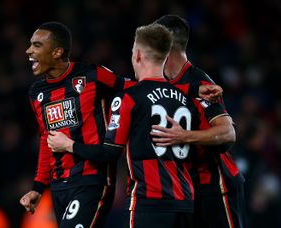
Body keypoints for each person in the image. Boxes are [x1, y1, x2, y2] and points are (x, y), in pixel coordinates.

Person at [47, 23, 227, 228]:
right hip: (186, 202)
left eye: (133, 51)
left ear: (138, 55)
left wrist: (69, 145)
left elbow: (109, 153)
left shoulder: (128, 99)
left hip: (149, 202)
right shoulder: (184, 97)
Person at [19, 21, 132, 228]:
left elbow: (134, 90)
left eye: (36, 45)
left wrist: (188, 89)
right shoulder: (36, 92)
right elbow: (47, 140)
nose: (29, 51)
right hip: (59, 185)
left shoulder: (92, 75)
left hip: (92, 178)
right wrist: (38, 186)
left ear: (57, 52)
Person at [151, 15, 246, 228]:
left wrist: (184, 136)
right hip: (185, 190)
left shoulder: (200, 83)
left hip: (215, 187)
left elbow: (228, 133)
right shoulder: (160, 84)